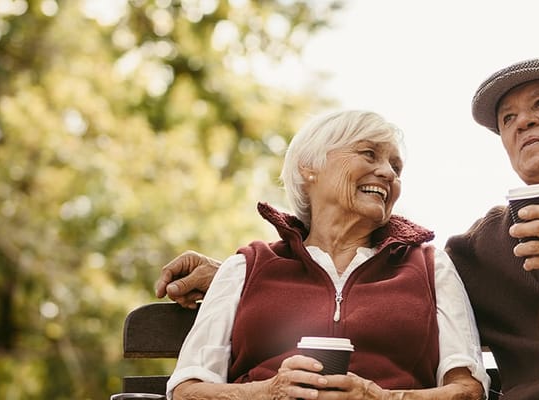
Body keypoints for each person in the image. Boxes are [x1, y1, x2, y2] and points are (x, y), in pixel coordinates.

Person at [157, 58, 539, 399]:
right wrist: (239, 278)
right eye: (507, 118)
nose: (521, 122)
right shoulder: (479, 249)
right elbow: (380, 277)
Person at [164, 110, 487, 400]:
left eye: (396, 166)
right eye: (369, 154)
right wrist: (267, 392)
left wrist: (381, 398)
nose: (388, 173)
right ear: (309, 168)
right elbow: (187, 390)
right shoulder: (245, 268)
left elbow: (468, 391)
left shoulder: (429, 267)